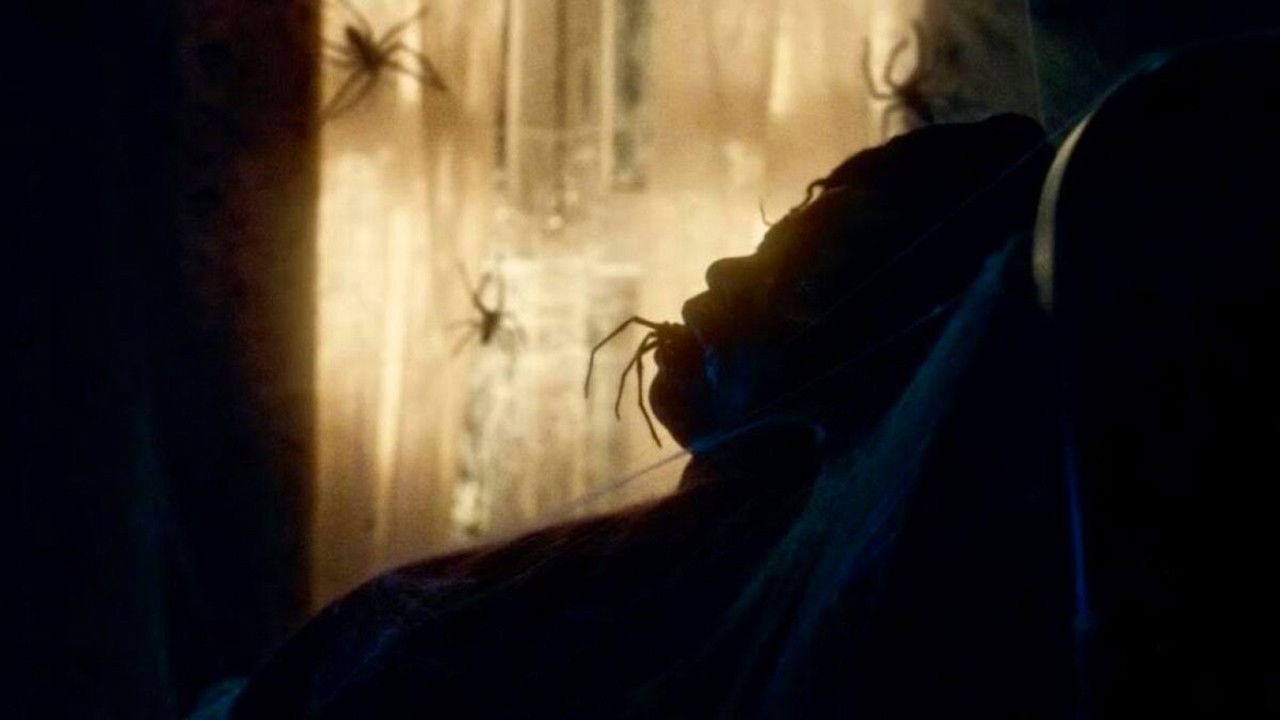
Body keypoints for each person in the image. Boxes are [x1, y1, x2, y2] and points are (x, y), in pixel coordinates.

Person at [225, 113, 1058, 719]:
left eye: (806, 272)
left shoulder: (708, 622)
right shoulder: (674, 578)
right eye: (771, 233)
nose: (722, 268)